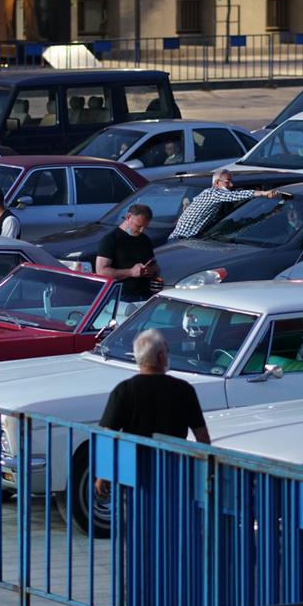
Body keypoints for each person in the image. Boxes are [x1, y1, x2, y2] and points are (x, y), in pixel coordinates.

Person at [93, 330, 210, 499]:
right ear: (161, 357)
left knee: (137, 520)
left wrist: (103, 474)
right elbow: (202, 436)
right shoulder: (183, 390)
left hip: (135, 472)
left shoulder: (124, 390)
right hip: (173, 470)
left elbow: (108, 433)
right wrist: (205, 471)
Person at [169, 169, 283, 241]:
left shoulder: (207, 193)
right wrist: (263, 193)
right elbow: (235, 196)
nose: (231, 184)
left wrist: (186, 205)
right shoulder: (214, 193)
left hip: (181, 239)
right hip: (182, 240)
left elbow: (192, 205)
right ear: (217, 183)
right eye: (228, 181)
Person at [95, 203, 161, 308]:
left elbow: (155, 266)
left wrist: (151, 271)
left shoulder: (145, 240)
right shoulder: (111, 240)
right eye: (138, 226)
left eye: (145, 227)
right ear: (128, 217)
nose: (141, 230)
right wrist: (130, 272)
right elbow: (101, 271)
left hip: (145, 295)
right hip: (121, 297)